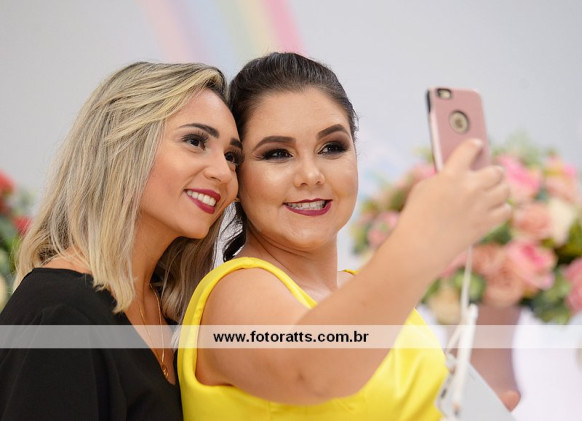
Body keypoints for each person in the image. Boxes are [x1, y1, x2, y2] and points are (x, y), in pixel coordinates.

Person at [178, 52, 513, 420]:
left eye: (332, 148)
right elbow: (311, 370)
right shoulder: (234, 292)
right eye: (277, 154)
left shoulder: (370, 295)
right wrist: (420, 239)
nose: (311, 175)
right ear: (237, 175)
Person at [0, 61, 241, 421]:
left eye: (232, 157)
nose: (223, 172)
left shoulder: (166, 308)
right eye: (195, 141)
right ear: (126, 146)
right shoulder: (61, 313)